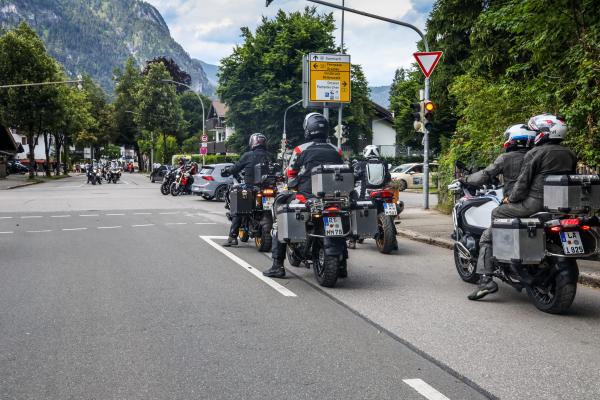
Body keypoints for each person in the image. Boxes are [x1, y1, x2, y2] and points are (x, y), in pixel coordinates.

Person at [468, 114, 578, 301]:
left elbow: (523, 182)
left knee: (495, 218)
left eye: (536, 131)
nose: (534, 135)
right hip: (559, 205)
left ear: (544, 132)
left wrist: (511, 199)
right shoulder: (569, 153)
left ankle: (486, 277)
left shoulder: (535, 153)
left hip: (533, 203)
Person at [263, 112, 343, 278]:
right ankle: (342, 265)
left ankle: (278, 265)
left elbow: (291, 173)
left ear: (307, 129)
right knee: (340, 223)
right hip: (333, 198)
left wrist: (293, 184)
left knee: (280, 221)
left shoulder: (300, 149)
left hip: (306, 197)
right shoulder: (337, 150)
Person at [222, 133, 271, 247]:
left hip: (251, 188)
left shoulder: (248, 155)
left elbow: (236, 167)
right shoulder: (269, 155)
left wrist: (228, 170)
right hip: (267, 189)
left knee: (239, 208)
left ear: (252, 142)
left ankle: (232, 237)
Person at [349, 145, 392, 248]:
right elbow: (388, 178)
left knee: (353, 210)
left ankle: (352, 240)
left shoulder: (360, 164)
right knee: (390, 214)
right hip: (382, 194)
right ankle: (394, 242)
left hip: (367, 195)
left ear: (365, 153)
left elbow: (353, 178)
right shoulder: (384, 164)